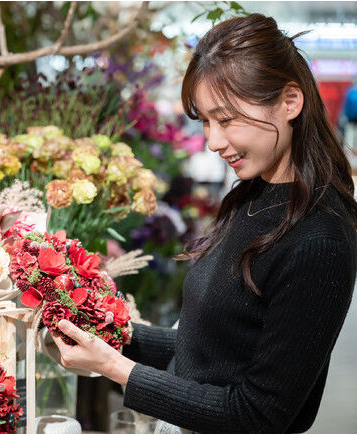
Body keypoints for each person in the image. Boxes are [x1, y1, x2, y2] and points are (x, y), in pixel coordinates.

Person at [51, 13, 357, 434]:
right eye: (206, 122)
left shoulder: (318, 240)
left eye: (227, 119)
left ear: (290, 101)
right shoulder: (251, 196)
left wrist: (117, 368)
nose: (213, 141)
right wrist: (109, 334)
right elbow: (210, 348)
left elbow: (258, 414)